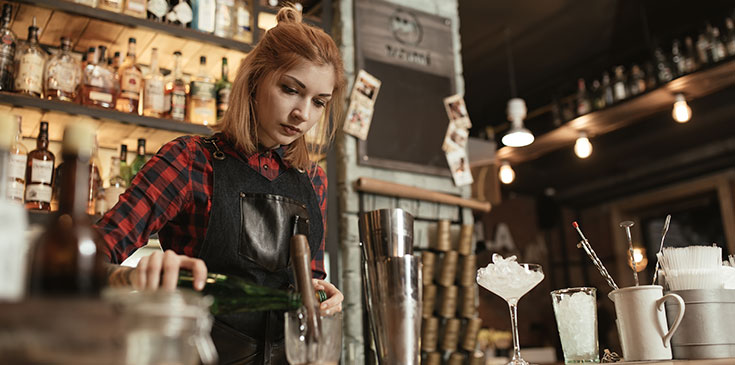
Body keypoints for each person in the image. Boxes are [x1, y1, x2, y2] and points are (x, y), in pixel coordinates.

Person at [96, 6, 346, 364]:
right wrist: (133, 277)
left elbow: (310, 284)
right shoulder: (189, 161)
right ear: (256, 80)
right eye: (291, 90)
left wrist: (324, 297)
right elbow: (88, 259)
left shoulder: (314, 181)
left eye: (318, 102)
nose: (303, 114)